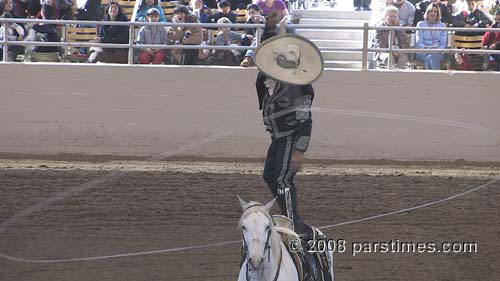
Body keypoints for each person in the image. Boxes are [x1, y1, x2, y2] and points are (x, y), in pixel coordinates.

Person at [452, 0, 492, 70]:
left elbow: (489, 21)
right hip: (462, 43)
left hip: (476, 43)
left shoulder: (480, 13)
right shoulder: (463, 14)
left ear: (475, 4)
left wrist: (477, 25)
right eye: (469, 4)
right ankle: (460, 54)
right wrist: (464, 25)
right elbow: (454, 21)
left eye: (472, 4)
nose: (471, 6)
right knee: (459, 30)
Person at [415, 3, 447, 69]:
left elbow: (443, 45)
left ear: (438, 14)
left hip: (437, 52)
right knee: (431, 56)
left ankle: (429, 78)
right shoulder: (420, 24)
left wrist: (436, 50)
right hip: (423, 51)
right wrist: (428, 48)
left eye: (435, 12)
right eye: (431, 11)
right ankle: (435, 77)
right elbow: (419, 43)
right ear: (427, 12)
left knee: (431, 57)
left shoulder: (442, 26)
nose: (433, 13)